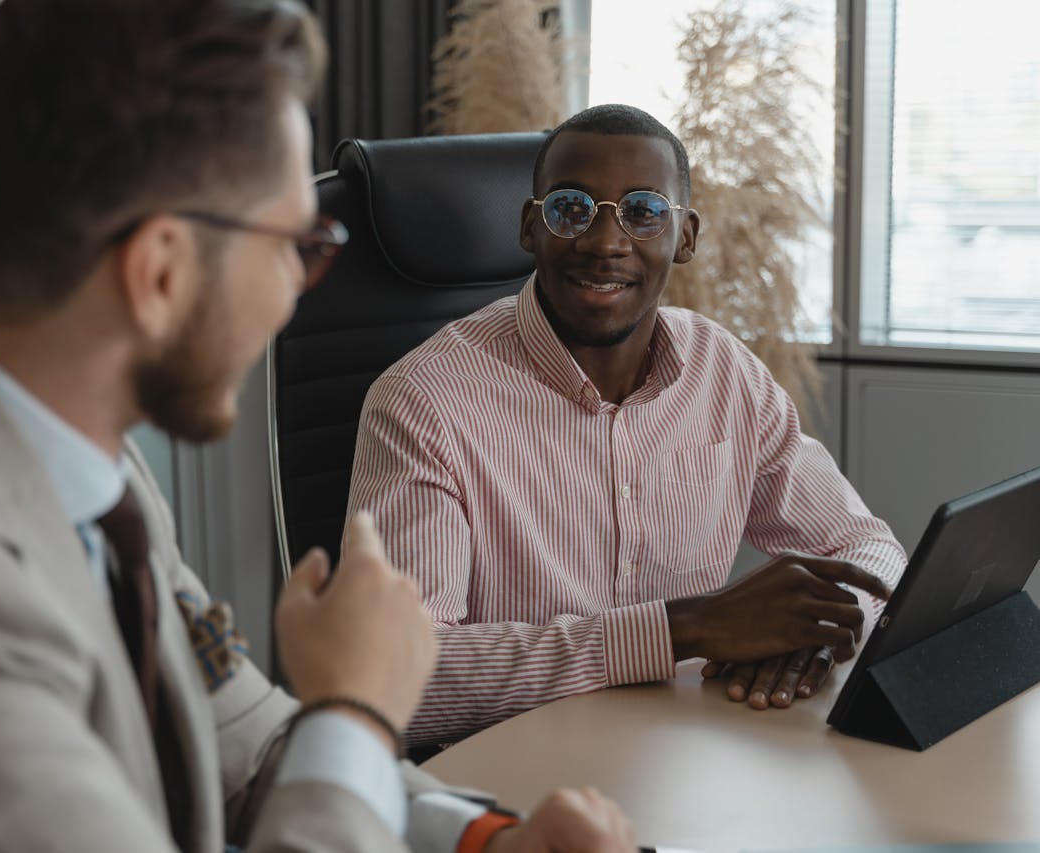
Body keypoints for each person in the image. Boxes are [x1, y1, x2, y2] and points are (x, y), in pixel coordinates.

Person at [0, 4, 638, 851]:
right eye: (295, 245)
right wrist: (360, 710)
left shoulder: (96, 470)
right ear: (162, 273)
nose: (297, 290)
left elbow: (246, 749)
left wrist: (482, 837)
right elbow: (320, 751)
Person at [347, 104, 905, 747]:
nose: (604, 242)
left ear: (686, 237)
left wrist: (816, 635)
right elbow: (397, 680)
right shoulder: (424, 400)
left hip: (686, 753)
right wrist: (680, 630)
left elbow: (869, 550)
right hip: (516, 777)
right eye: (570, 208)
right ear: (531, 227)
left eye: (642, 212)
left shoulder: (723, 371)